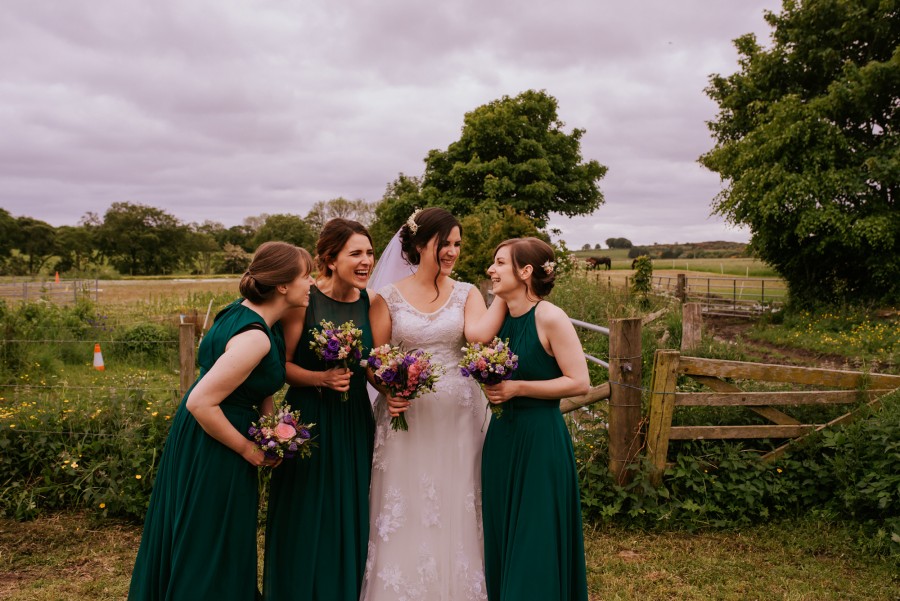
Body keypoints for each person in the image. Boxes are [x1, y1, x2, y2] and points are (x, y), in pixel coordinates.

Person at [128, 241, 314, 601]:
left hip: (211, 433)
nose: (312, 283)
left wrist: (273, 433)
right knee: (212, 534)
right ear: (282, 285)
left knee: (215, 531)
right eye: (307, 276)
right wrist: (249, 449)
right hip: (217, 438)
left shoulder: (242, 314)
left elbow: (258, 386)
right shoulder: (255, 338)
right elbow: (201, 401)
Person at [360, 207, 505, 601]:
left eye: (458, 244)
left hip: (459, 417)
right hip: (407, 417)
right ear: (421, 244)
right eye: (446, 243)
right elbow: (375, 360)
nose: (453, 251)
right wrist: (390, 391)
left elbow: (477, 336)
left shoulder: (467, 293)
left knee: (458, 497)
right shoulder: (385, 297)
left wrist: (505, 298)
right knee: (405, 502)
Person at [263, 219, 376, 601]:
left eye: (369, 253)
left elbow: (373, 366)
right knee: (306, 509)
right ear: (330, 259)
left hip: (354, 419)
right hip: (309, 419)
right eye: (355, 253)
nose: (366, 261)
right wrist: (321, 380)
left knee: (351, 507)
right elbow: (284, 367)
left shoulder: (370, 301)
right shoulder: (304, 300)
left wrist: (397, 384)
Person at [480, 237, 590, 601]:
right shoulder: (499, 321)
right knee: (504, 531)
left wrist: (518, 389)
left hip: (540, 440)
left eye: (499, 263)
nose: (491, 270)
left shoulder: (549, 317)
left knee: (535, 537)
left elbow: (580, 383)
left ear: (525, 272)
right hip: (502, 438)